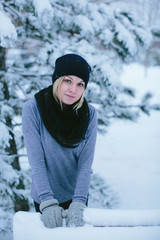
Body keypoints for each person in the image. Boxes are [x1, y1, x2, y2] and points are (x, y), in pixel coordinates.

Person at [22, 53, 97, 228]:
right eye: (68, 81)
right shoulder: (33, 109)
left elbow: (85, 164)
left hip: (76, 198)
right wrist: (47, 202)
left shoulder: (89, 114)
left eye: (80, 84)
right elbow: (37, 162)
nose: (73, 89)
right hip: (44, 196)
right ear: (57, 80)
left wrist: (79, 202)